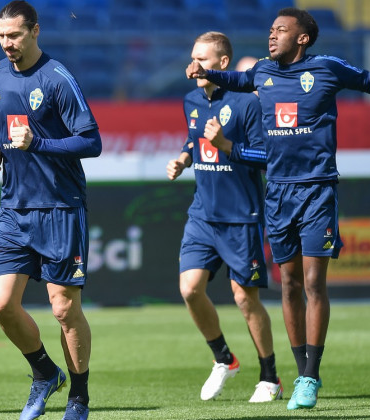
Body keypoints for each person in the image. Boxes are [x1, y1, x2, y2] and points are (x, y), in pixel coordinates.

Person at [186, 7, 370, 410]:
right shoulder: (262, 72)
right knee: (290, 283)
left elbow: (365, 79)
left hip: (317, 190)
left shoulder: (326, 67)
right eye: (270, 29)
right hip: (278, 193)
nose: (272, 35)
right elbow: (238, 79)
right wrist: (205, 72)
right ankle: (300, 374)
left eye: (281, 30)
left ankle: (310, 377)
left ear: (302, 38)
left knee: (315, 283)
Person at [0, 2, 101, 419]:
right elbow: (1, 126)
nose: (7, 43)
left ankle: (79, 397)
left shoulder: (57, 79)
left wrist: (40, 145)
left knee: (65, 310)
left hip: (60, 208)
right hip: (14, 208)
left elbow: (91, 142)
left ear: (35, 31)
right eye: (1, 35)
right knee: (0, 304)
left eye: (14, 35)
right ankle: (45, 373)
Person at [167, 31, 281, 403]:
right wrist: (185, 158)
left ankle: (270, 377)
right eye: (192, 57)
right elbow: (193, 138)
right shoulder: (191, 100)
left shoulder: (248, 104)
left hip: (241, 216)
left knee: (244, 299)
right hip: (203, 213)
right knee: (189, 289)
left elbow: (267, 158)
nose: (194, 64)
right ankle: (224, 358)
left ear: (223, 63)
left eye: (202, 58)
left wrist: (227, 146)